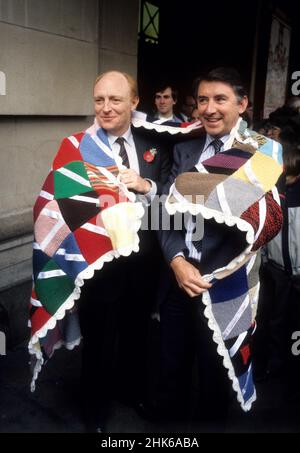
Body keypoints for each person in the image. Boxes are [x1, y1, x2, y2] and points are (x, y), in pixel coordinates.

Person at [29, 70, 171, 433]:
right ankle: (94, 408)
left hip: (143, 258)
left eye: (116, 100)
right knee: (99, 338)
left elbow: (176, 198)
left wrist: (146, 185)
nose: (106, 108)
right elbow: (56, 203)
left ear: (134, 102)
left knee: (137, 332)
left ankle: (131, 391)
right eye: (99, 100)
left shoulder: (157, 141)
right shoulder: (77, 146)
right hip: (97, 262)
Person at [155, 67, 283, 422]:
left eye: (220, 99)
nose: (209, 108)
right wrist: (177, 261)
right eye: (203, 100)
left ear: (242, 104)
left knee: (216, 377)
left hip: (227, 283)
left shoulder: (263, 151)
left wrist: (189, 187)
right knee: (171, 369)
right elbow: (163, 213)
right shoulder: (184, 147)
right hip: (179, 280)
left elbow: (265, 220)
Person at [253, 131, 300, 383]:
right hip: (275, 269)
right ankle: (272, 364)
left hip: (296, 272)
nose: (287, 183)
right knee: (273, 320)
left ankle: (289, 369)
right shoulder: (270, 193)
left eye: (292, 178)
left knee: (293, 323)